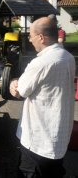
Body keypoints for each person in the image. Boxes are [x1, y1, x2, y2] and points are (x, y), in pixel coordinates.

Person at [9, 17, 75, 178]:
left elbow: (19, 91)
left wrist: (13, 82)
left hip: (38, 142)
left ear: (41, 37)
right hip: (58, 140)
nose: (30, 40)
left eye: (31, 35)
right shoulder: (68, 57)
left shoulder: (41, 63)